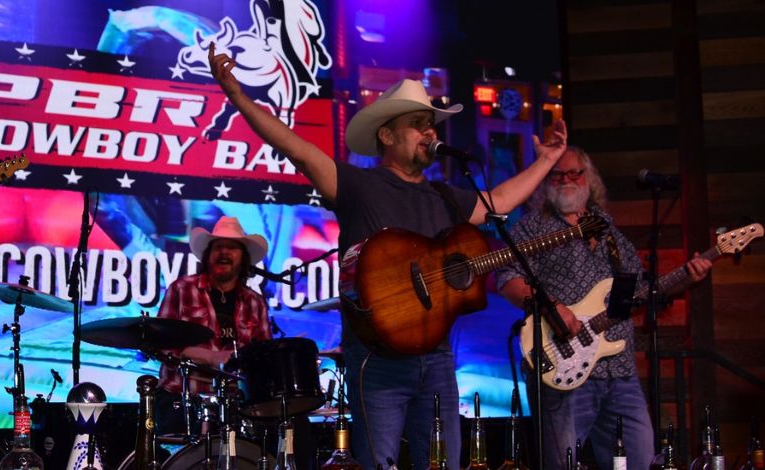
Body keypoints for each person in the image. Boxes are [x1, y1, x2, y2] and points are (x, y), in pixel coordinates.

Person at [208, 43, 568, 469]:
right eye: (418, 124)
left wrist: (546, 162)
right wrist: (237, 95)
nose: (430, 133)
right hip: (376, 362)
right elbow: (296, 147)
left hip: (435, 358)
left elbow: (498, 200)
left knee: (443, 463)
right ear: (387, 135)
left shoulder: (442, 195)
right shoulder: (359, 185)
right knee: (379, 463)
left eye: (431, 125)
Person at [497, 146, 712, 470]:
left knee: (640, 460)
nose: (566, 180)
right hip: (562, 368)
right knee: (562, 463)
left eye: (574, 173)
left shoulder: (610, 232)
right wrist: (552, 308)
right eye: (557, 174)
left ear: (589, 179)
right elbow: (507, 279)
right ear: (544, 182)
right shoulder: (532, 229)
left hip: (619, 371)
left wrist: (686, 277)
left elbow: (641, 294)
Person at [155, 215, 272, 434]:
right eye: (218, 247)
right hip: (182, 399)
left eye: (232, 247)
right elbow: (161, 345)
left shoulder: (255, 302)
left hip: (236, 403)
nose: (224, 252)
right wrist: (209, 357)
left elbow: (263, 359)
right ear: (208, 255)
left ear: (244, 259)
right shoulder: (181, 289)